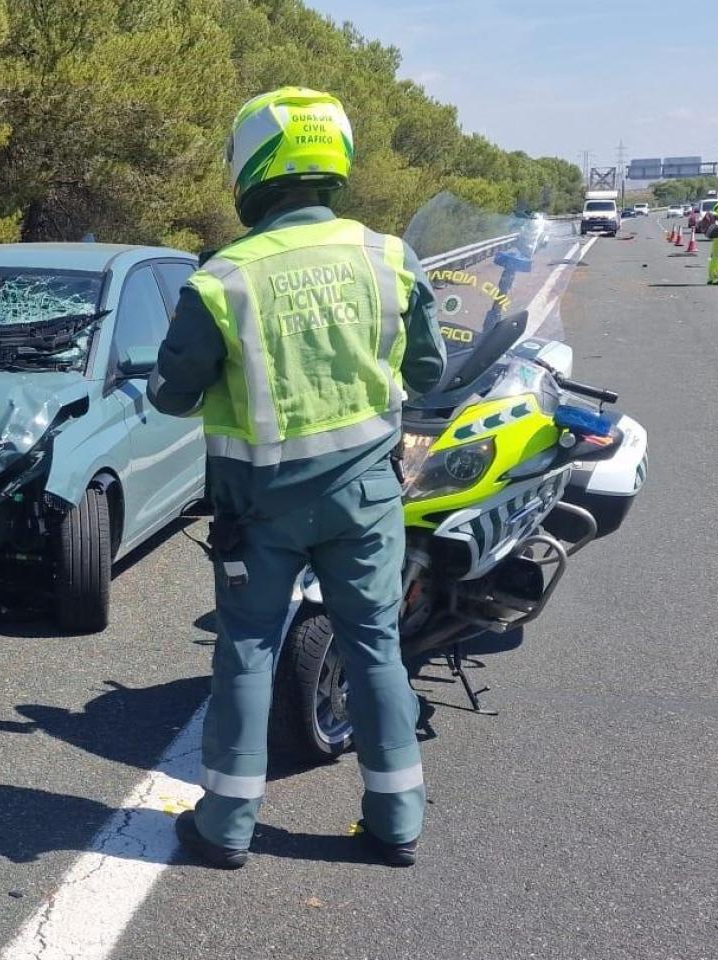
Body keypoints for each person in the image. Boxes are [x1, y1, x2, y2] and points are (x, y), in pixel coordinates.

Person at [147, 87, 446, 869]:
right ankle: (396, 824)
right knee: (375, 646)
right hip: (366, 498)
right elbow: (428, 368)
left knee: (247, 647)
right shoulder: (389, 256)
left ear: (251, 167)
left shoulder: (224, 277)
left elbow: (173, 394)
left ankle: (225, 829)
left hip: (261, 506)